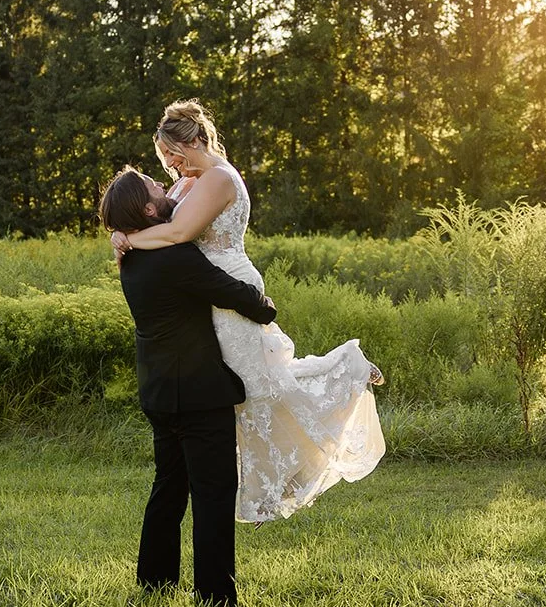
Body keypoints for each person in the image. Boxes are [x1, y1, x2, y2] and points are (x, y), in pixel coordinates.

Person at [111, 100, 385, 523]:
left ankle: (347, 369)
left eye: (172, 153)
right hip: (205, 290)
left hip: (230, 290)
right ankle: (260, 485)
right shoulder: (189, 181)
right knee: (240, 393)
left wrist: (129, 239)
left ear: (195, 140)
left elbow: (180, 232)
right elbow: (157, 222)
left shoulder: (220, 178)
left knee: (258, 388)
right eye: (163, 157)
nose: (168, 164)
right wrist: (122, 231)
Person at [100, 165, 278, 607]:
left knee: (169, 487)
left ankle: (155, 584)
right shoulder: (174, 256)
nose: (165, 186)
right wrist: (265, 309)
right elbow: (225, 290)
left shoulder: (134, 258)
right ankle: (219, 605)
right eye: (156, 187)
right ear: (147, 207)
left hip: (159, 390)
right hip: (200, 393)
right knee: (214, 494)